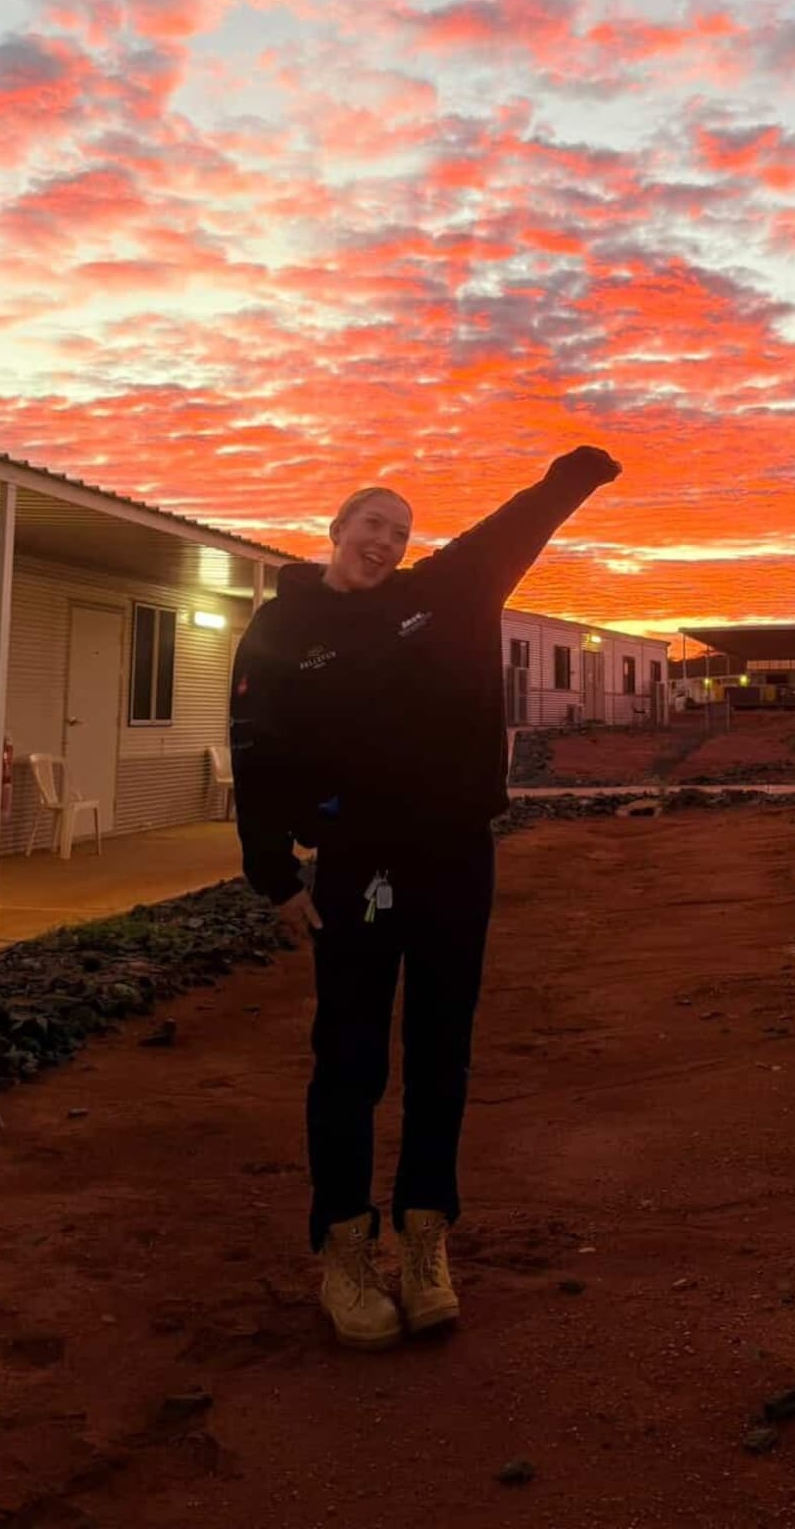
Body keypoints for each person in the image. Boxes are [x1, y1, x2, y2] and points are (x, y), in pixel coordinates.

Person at [228, 446, 622, 1351]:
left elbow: (508, 532)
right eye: (374, 523)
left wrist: (568, 479)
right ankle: (343, 1252)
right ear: (336, 527)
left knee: (443, 1052)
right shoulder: (280, 630)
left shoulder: (438, 598)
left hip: (453, 858)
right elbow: (253, 749)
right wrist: (274, 871)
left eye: (401, 532)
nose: (388, 540)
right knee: (352, 1058)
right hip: (356, 861)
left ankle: (424, 1239)